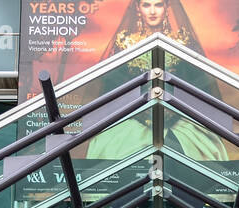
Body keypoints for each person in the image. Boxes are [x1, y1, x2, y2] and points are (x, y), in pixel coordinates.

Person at [84, 0, 230, 162]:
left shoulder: (183, 42)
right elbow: (114, 88)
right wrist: (139, 111)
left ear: (167, 7)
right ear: (138, 8)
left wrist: (173, 111)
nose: (152, 11)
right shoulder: (125, 43)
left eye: (158, 5)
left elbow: (198, 86)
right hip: (134, 118)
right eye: (146, 5)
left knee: (200, 151)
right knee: (111, 147)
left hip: (178, 118)